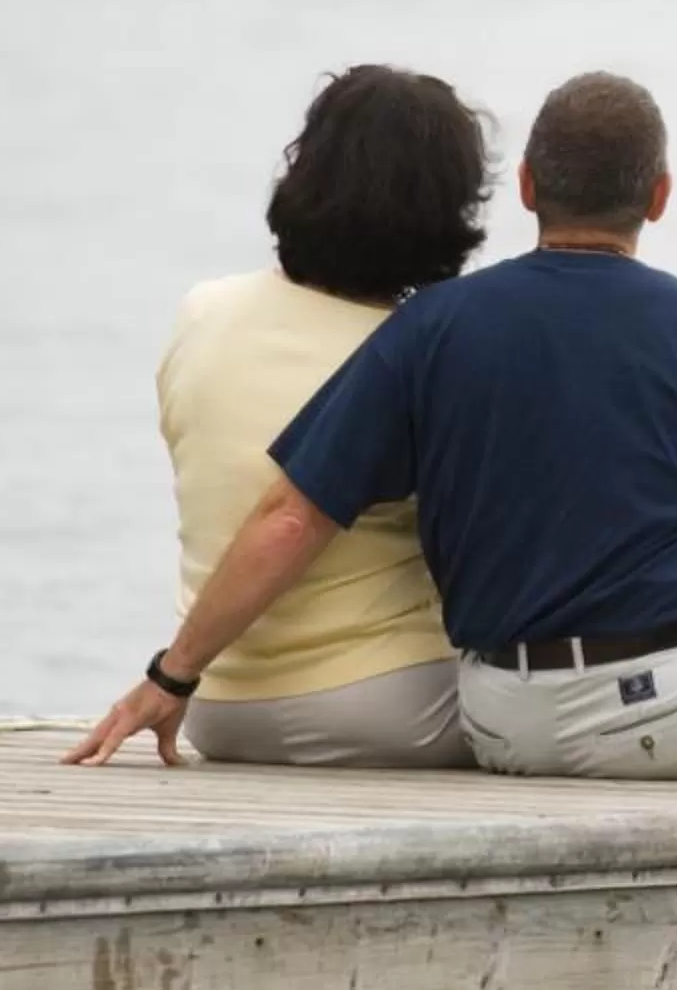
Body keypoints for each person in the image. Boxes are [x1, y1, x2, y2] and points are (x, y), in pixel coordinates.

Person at [72, 72, 677, 780]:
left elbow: (289, 517)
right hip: (670, 704)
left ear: (531, 186)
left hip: (505, 717)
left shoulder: (430, 329)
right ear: (659, 196)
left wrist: (174, 675)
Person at [152, 65, 490, 768]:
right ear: (449, 208)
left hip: (216, 708)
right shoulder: (432, 351)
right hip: (400, 709)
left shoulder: (202, 312)